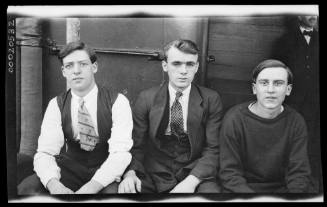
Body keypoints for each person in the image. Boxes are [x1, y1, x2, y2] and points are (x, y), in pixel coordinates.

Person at [18, 41, 133, 194]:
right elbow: (45, 152)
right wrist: (54, 185)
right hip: (71, 168)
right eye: (69, 66)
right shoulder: (56, 104)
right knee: (27, 188)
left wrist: (92, 187)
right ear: (63, 71)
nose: (76, 71)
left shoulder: (118, 102)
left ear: (94, 67)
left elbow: (120, 153)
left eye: (83, 64)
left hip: (105, 167)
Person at [118, 39, 223, 193]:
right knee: (127, 191)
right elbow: (137, 145)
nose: (183, 71)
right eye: (176, 64)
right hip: (154, 171)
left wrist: (190, 182)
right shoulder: (147, 98)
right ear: (165, 66)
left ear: (197, 67)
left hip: (194, 170)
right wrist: (130, 172)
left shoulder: (210, 99)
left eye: (190, 64)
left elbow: (213, 149)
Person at [219, 59, 312, 193]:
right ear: (254, 88)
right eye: (264, 83)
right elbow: (229, 173)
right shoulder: (234, 119)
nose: (270, 90)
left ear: (288, 89)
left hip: (282, 191)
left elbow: (299, 174)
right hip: (242, 190)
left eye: (278, 83)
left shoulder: (296, 121)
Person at [272, 15, 320, 192]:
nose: (313, 16)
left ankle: (309, 181)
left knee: (312, 139)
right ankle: (285, 179)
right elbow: (275, 71)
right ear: (298, 15)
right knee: (289, 136)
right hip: (293, 100)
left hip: (315, 102)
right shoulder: (284, 41)